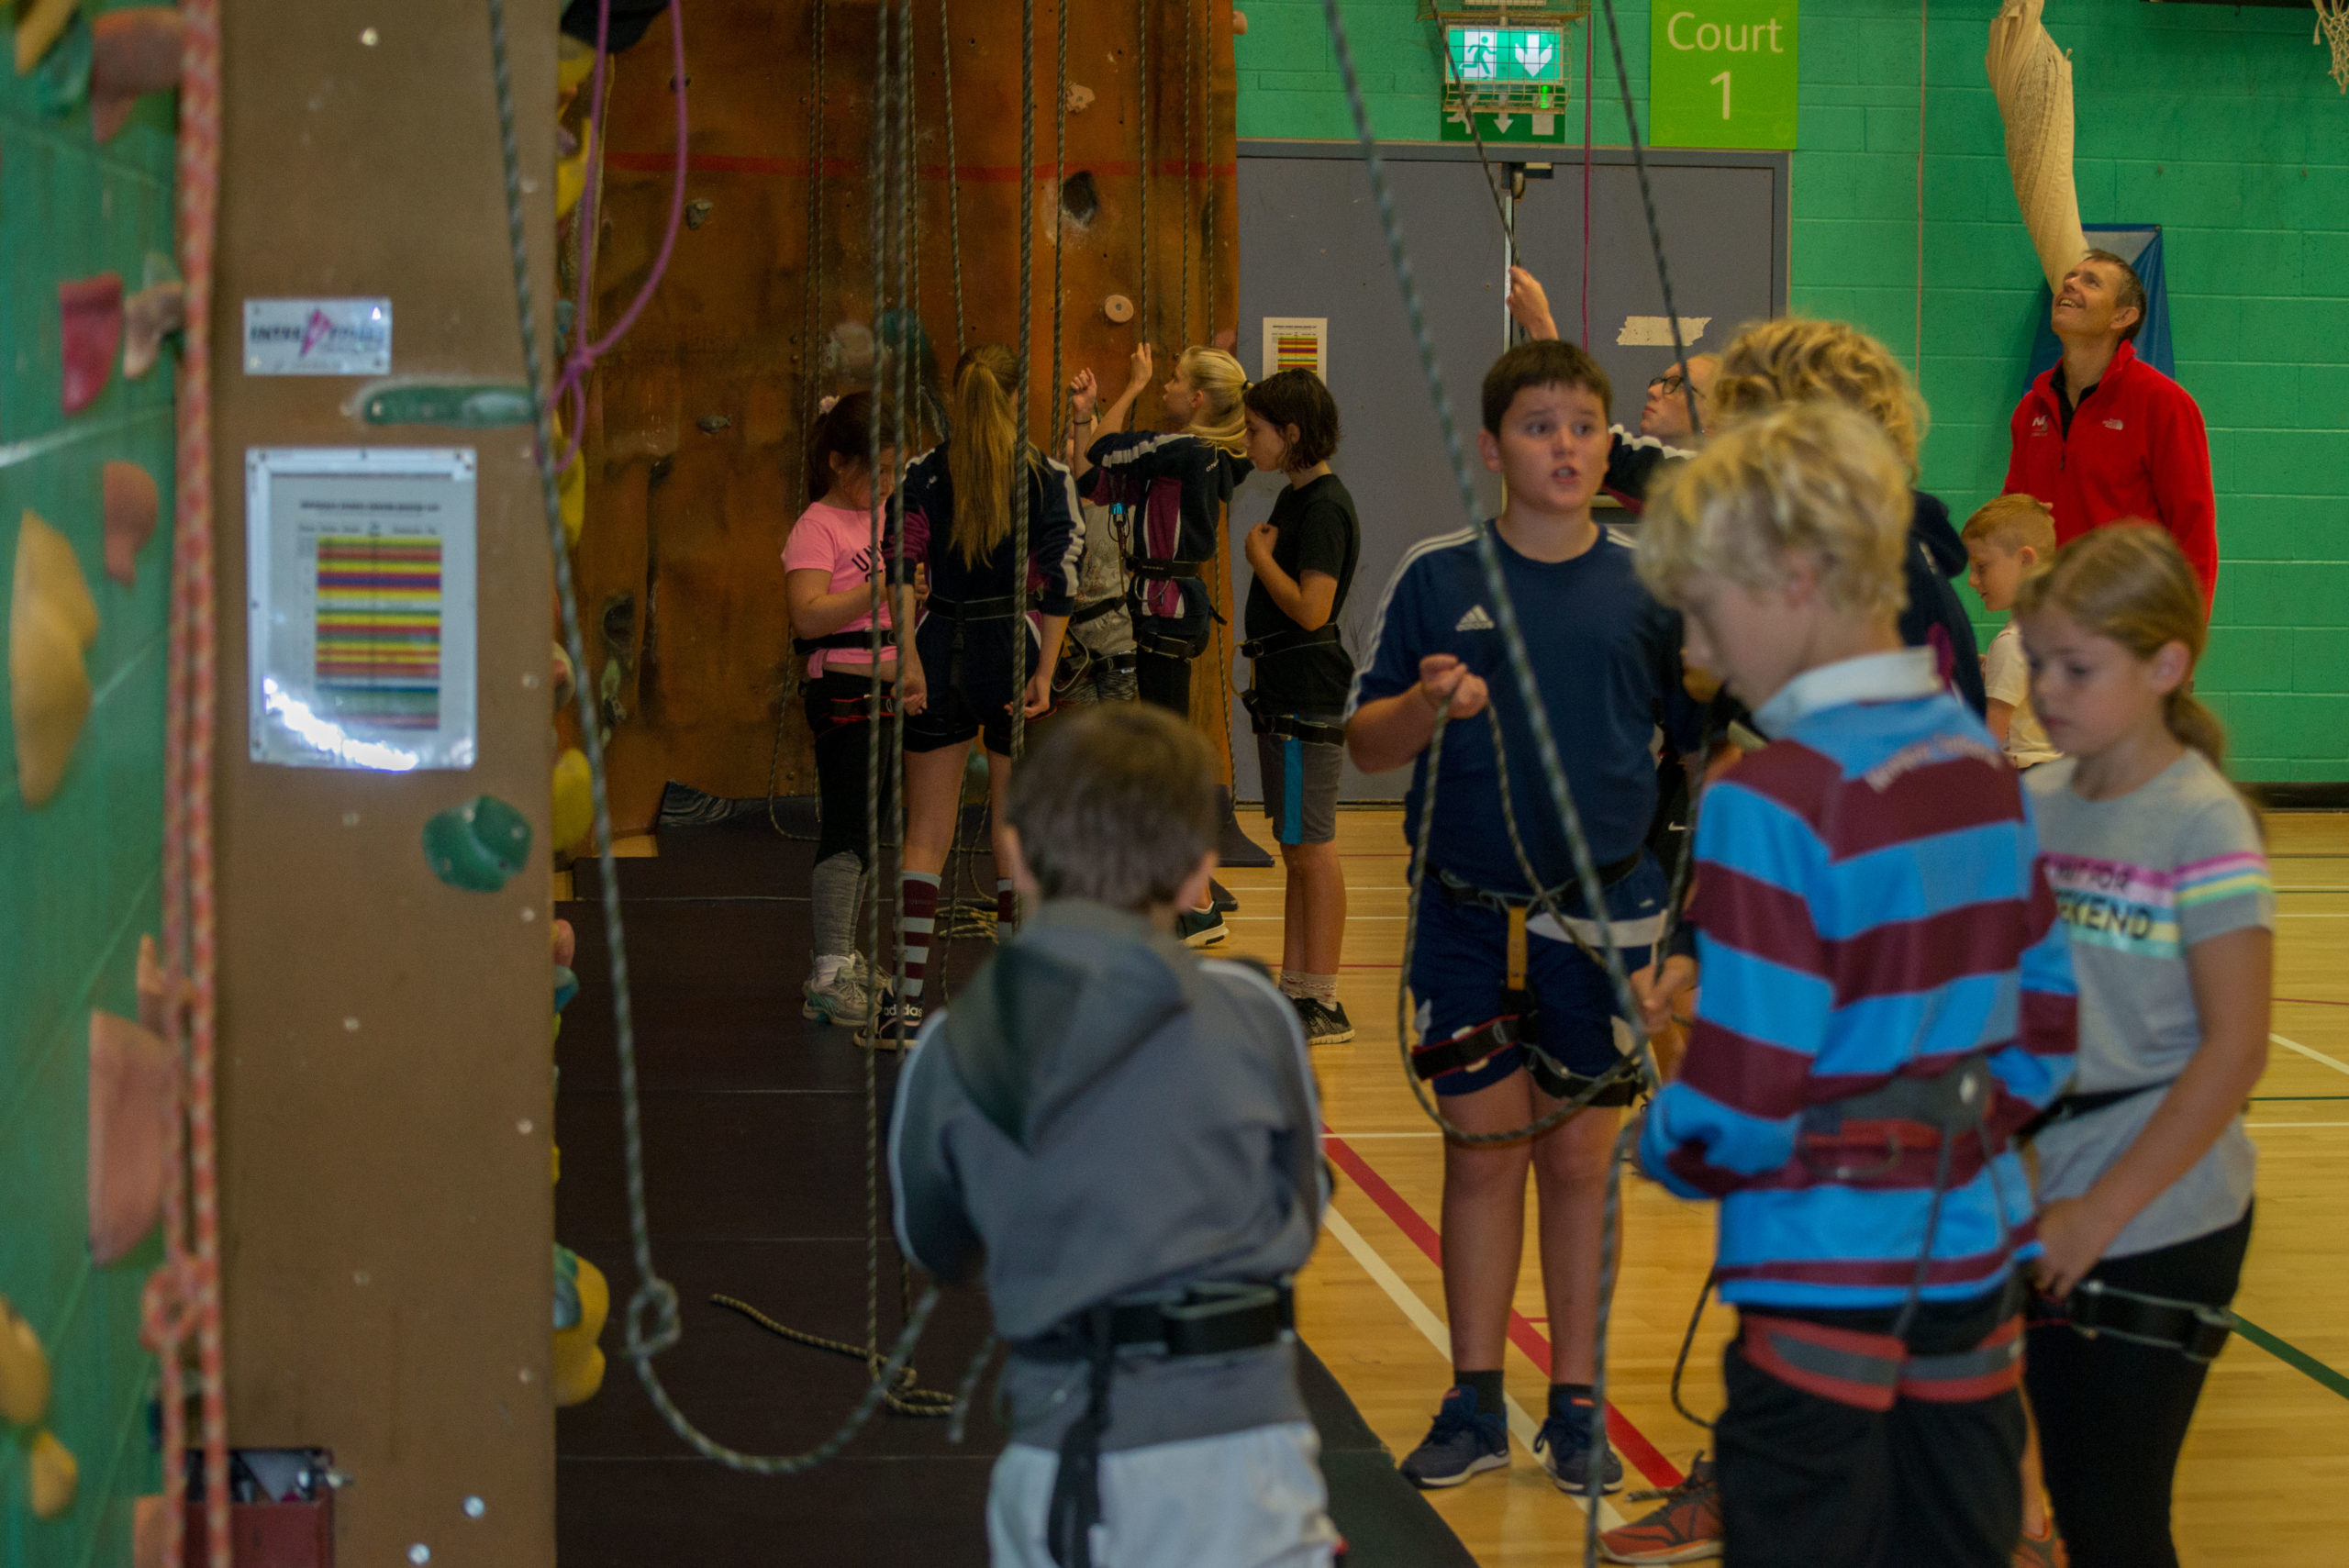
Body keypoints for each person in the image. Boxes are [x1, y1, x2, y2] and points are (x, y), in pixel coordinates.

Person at [1628, 401, 2076, 1568]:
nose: (1691, 646)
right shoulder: (1976, 758)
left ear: (1790, 583)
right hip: (1970, 1255)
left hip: (1820, 1271)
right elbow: (2047, 1025)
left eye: (1700, 606)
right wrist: (1943, 1132)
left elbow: (1742, 1102)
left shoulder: (1767, 798)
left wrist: (1661, 1137)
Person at [1347, 339, 1709, 1496]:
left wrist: (1689, 923)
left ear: (1608, 447)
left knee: (1578, 1162)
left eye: (1583, 426)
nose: (1564, 445)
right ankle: (1473, 1401)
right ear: (1492, 447)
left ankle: (1577, 1406)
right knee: (1482, 1155)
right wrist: (1426, 703)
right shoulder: (1435, 574)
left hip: (1604, 918)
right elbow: (1365, 744)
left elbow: (1700, 753)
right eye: (1539, 425)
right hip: (1461, 917)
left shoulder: (1655, 586)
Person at [888, 703, 1336, 1568]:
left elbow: (935, 1241)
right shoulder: (1257, 1015)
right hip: (1252, 1457)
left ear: (1015, 854)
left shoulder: (957, 1045)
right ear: (1198, 875)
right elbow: (1300, 1210)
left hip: (1072, 1450)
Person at [2016, 524, 2269, 1568]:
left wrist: (2098, 1211)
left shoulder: (2200, 823)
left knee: (2114, 1515)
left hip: (2161, 1208)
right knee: (2068, 1499)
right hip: (2043, 1189)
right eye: (2037, 662)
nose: (2046, 689)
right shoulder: (2033, 804)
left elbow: (2235, 1048)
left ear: (2165, 666)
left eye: (2077, 668)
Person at [883, 344, 1083, 1037]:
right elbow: (1060, 579)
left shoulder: (923, 473)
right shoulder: (1045, 476)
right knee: (1010, 830)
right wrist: (1045, 671)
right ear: (1016, 396)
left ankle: (906, 1001)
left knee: (926, 833)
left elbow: (899, 567)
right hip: (1008, 650)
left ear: (955, 399)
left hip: (939, 647)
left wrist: (910, 658)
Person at [1708, 315, 1989, 716]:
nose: (1724, 446)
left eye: (1742, 425)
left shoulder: (1877, 567)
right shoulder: (1850, 553)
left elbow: (1877, 733)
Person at [1239, 368, 1361, 1045]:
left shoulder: (1325, 508)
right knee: (1295, 847)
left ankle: (1324, 999)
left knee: (1312, 848)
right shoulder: (1295, 498)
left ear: (1290, 433)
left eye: (1254, 429)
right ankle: (1297, 986)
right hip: (1284, 694)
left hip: (1308, 696)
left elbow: (1313, 609)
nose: (1247, 440)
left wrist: (1259, 558)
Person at [2004, 250, 2218, 612]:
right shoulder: (2031, 409)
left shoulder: (2163, 403)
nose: (2070, 283)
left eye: (2091, 282)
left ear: (2123, 316)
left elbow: (2193, 530)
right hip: (2049, 619)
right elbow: (2011, 517)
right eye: (2070, 277)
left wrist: (2185, 633)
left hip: (2130, 620)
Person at [783, 392, 896, 1027]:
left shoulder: (885, 514)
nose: (886, 482)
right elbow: (807, 614)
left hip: (888, 689)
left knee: (869, 829)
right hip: (844, 690)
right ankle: (828, 969)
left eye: (893, 470)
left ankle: (843, 953)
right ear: (837, 462)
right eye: (876, 470)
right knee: (847, 828)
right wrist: (879, 589)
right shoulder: (817, 526)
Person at [1068, 344, 1252, 720]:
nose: (1166, 387)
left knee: (1164, 722)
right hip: (1166, 605)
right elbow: (1093, 483)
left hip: (1168, 605)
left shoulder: (1184, 449)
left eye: (1174, 379)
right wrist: (1083, 418)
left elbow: (1103, 448)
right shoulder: (1191, 460)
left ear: (1197, 398)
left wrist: (1135, 385)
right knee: (1162, 716)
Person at [1504, 265, 1695, 507]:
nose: (1653, 391)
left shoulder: (1715, 479)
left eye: (1677, 385)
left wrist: (1541, 326)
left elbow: (1604, 451)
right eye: (1660, 382)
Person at [1962, 495, 2063, 772]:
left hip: (2024, 774)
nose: (1972, 580)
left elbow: (1992, 734)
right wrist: (1992, 668)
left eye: (1981, 567)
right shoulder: (2056, 630)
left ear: (2025, 560)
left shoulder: (2011, 643)